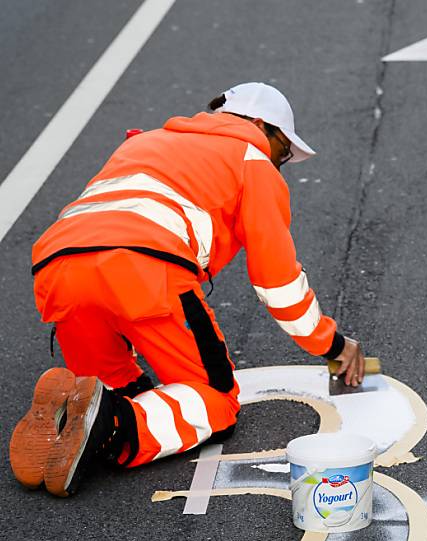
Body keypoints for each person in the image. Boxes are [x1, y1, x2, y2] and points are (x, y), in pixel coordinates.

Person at [8, 82, 365, 497]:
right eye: (283, 150)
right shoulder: (252, 160)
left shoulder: (144, 143)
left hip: (58, 268)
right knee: (215, 401)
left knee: (119, 389)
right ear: (260, 124)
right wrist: (334, 345)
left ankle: (69, 422)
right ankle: (109, 425)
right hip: (145, 269)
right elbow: (278, 284)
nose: (280, 161)